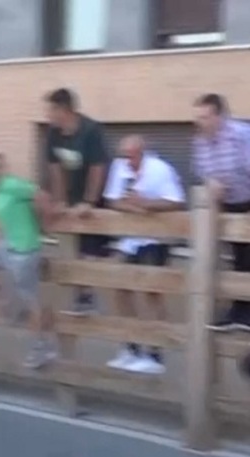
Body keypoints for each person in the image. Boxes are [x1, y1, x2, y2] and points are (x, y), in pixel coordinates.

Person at [103, 135, 185, 375]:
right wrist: (130, 207)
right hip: (130, 238)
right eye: (123, 155)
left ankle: (155, 354)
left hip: (156, 239)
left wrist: (148, 204)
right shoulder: (120, 167)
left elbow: (176, 201)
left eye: (130, 156)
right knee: (120, 289)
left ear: (142, 152)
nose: (126, 161)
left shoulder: (160, 169)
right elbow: (112, 199)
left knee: (152, 293)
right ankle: (130, 347)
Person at [0, 152, 60, 369]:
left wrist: (45, 227)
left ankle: (42, 348)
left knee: (32, 302)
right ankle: (7, 296)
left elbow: (43, 197)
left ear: (2, 168)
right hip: (7, 245)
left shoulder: (13, 185)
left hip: (24, 249)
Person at [45, 87, 110, 315]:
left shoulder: (90, 130)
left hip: (93, 198)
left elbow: (97, 167)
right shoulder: (53, 134)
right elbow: (55, 168)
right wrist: (59, 199)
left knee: (88, 251)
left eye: (51, 110)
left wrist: (89, 201)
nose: (48, 115)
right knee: (69, 247)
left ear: (63, 110)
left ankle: (88, 295)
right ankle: (79, 295)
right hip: (70, 198)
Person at [192, 93, 250, 332]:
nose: (200, 123)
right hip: (229, 204)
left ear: (219, 117)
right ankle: (238, 312)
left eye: (204, 117)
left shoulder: (241, 136)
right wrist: (211, 183)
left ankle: (244, 312)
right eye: (197, 118)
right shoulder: (200, 142)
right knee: (238, 259)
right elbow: (201, 172)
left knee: (247, 258)